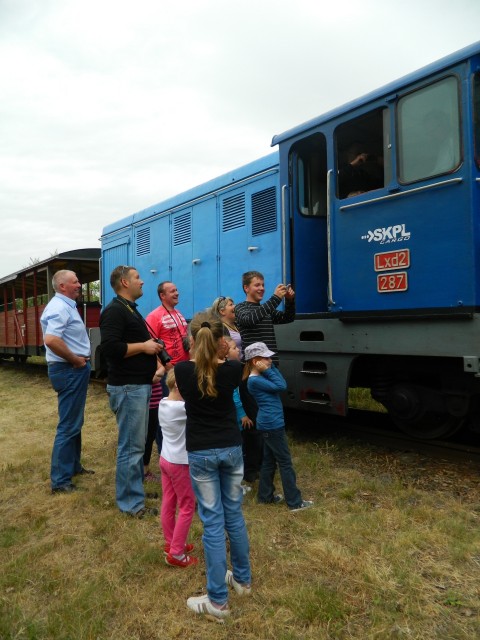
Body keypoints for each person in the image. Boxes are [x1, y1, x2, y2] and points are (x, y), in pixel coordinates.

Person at [175, 312, 251, 621]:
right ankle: (243, 580)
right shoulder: (233, 369)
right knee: (234, 514)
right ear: (222, 340)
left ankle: (218, 602)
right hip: (231, 448)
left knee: (213, 523)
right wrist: (224, 345)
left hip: (201, 452)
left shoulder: (181, 371)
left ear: (192, 341)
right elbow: (232, 355)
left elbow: (194, 362)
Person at [99, 265, 164, 517]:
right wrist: (144, 347)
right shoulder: (115, 311)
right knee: (131, 447)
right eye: (138, 277)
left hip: (138, 386)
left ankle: (135, 491)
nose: (143, 282)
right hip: (128, 388)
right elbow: (111, 348)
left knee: (137, 445)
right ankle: (130, 505)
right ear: (125, 283)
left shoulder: (130, 310)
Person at [40, 270, 94, 494]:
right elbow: (51, 339)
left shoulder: (65, 306)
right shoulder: (59, 307)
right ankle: (61, 481)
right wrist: (75, 360)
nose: (79, 285)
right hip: (69, 369)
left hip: (72, 369)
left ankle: (72, 466)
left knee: (74, 421)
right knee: (68, 425)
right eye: (75, 282)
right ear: (62, 286)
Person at [243, 342, 313, 512]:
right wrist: (268, 369)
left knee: (269, 461)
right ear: (255, 361)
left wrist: (269, 367)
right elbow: (282, 385)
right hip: (272, 425)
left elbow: (279, 382)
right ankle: (295, 502)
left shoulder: (260, 377)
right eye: (266, 358)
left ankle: (265, 496)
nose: (270, 360)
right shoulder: (255, 381)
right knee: (285, 462)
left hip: (269, 424)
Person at [158, 369, 197, 568]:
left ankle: (171, 541)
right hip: (179, 463)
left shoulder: (164, 403)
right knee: (187, 505)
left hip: (165, 458)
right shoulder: (181, 408)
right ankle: (176, 553)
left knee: (169, 501)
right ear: (179, 386)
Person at [235, 271, 296, 366]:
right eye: (257, 285)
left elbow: (288, 318)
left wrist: (289, 301)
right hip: (253, 366)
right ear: (246, 288)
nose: (262, 288)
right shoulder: (240, 308)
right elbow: (249, 320)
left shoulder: (266, 309)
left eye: (263, 285)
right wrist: (275, 298)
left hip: (271, 364)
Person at [146, 281, 190, 372]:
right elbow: (150, 344)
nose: (177, 293)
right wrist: (166, 367)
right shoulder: (153, 316)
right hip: (170, 371)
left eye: (176, 290)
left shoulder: (178, 312)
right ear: (162, 296)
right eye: (172, 291)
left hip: (185, 367)